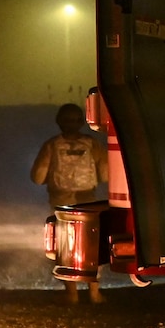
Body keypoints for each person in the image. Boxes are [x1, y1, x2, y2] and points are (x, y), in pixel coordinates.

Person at [31, 103, 108, 304]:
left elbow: (37, 177)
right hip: (82, 199)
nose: (72, 124)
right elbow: (106, 174)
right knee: (89, 246)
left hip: (66, 200)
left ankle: (75, 294)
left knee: (67, 247)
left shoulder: (52, 145)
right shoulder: (91, 144)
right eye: (69, 120)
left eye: (74, 120)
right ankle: (91, 294)